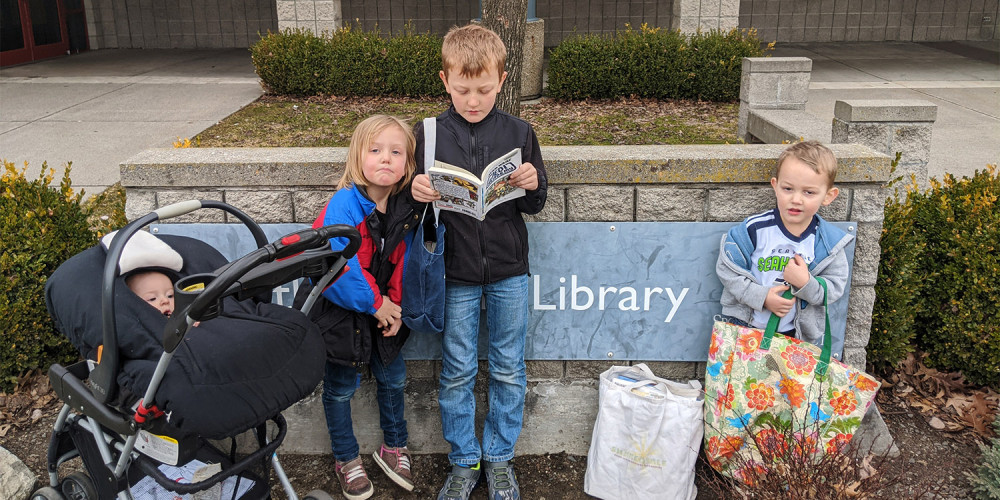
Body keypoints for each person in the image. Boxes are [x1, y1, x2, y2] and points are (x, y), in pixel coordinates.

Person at [409, 23, 548, 500]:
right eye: (463, 89)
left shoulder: (519, 131)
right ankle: (464, 460)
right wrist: (416, 191)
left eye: (484, 89)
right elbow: (409, 208)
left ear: (502, 80)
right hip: (454, 270)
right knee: (457, 369)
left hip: (509, 269)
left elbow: (535, 204)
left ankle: (500, 457)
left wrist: (532, 183)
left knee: (509, 366)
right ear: (445, 80)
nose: (473, 99)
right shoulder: (425, 134)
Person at [310, 114, 419, 500]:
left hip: (386, 310)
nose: (385, 159)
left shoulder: (406, 211)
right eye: (375, 151)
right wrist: (376, 304)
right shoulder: (344, 204)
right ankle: (346, 457)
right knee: (341, 388)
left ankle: (394, 446)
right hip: (345, 313)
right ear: (358, 157)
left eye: (395, 151)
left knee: (393, 379)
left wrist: (397, 308)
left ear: (408, 162)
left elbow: (408, 262)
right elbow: (338, 261)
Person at [716, 140, 853, 352]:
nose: (796, 199)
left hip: (797, 335)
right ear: (775, 186)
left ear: (828, 196)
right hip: (745, 328)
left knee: (784, 385)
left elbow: (833, 289)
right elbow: (727, 269)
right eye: (788, 188)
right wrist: (762, 298)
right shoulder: (754, 230)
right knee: (744, 384)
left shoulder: (827, 242)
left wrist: (806, 283)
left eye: (809, 192)